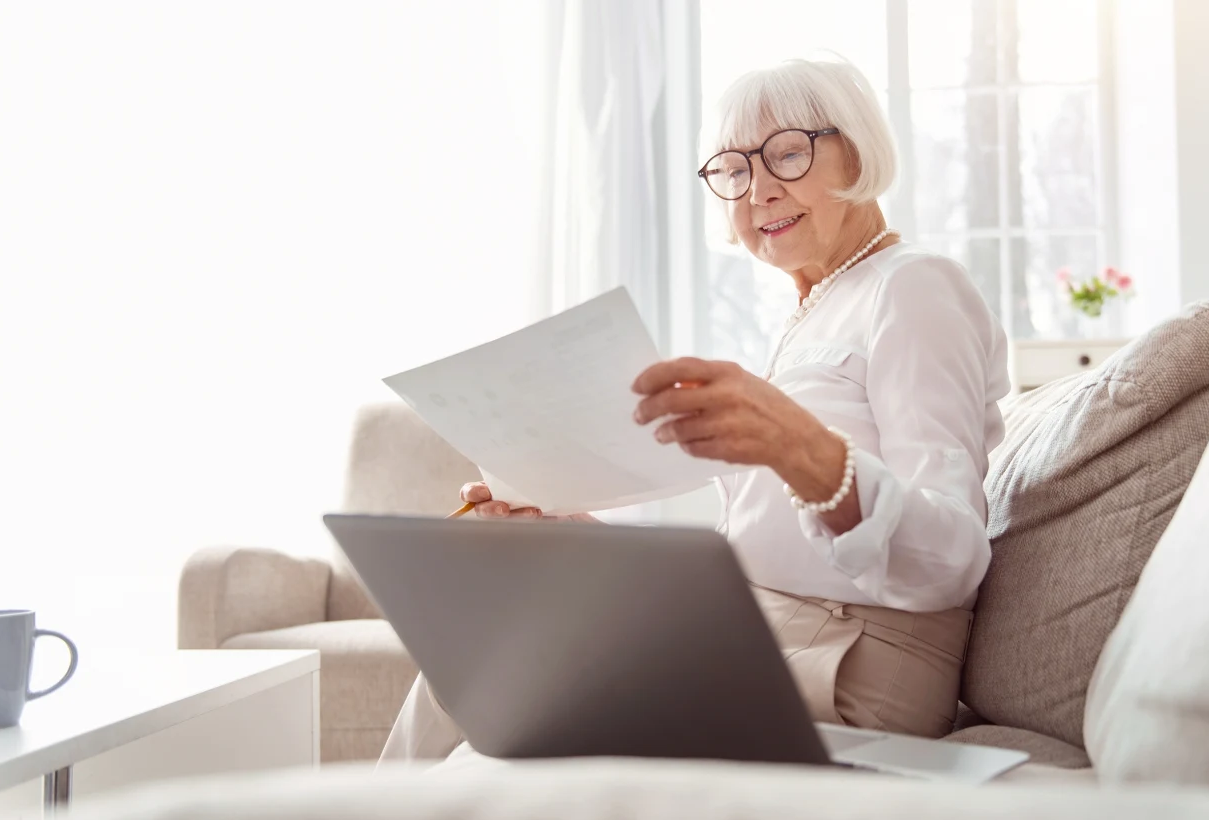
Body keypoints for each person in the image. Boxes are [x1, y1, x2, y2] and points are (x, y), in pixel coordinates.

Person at [379, 57, 1010, 764]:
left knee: (504, 680)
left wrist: (798, 447)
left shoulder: (914, 286)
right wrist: (569, 531)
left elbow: (950, 560)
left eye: (788, 154)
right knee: (482, 644)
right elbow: (768, 548)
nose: (760, 189)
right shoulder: (814, 313)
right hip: (761, 630)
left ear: (857, 152)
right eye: (734, 170)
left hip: (847, 663)